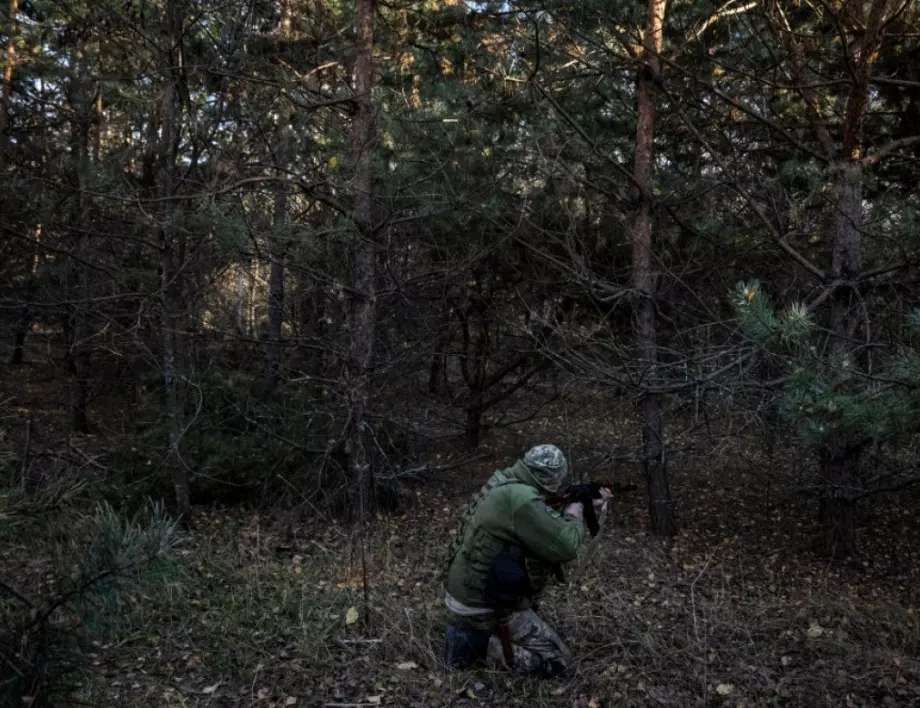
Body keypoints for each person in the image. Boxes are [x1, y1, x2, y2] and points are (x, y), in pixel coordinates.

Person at [442, 444, 610, 677]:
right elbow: (566, 546)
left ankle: (472, 638)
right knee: (559, 661)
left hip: (464, 594)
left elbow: (537, 519)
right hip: (481, 606)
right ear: (551, 479)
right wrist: (575, 512)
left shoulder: (505, 482)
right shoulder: (521, 499)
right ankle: (479, 649)